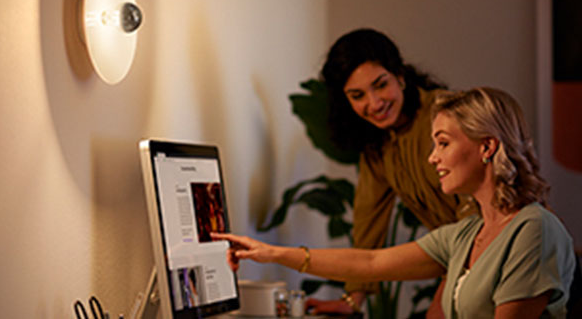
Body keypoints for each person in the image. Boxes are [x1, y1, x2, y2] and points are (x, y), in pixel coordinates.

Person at [214, 87, 576, 318]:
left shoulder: (533, 230)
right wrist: (272, 253)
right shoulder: (466, 234)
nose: (432, 158)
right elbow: (372, 262)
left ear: (487, 147)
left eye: (443, 143)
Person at [312, 28, 462, 316]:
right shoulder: (376, 145)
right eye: (357, 95)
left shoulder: (449, 114)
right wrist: (352, 301)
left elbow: (480, 218)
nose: (374, 104)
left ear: (401, 76)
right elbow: (368, 225)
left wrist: (444, 298)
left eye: (380, 85)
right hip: (465, 269)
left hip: (516, 260)